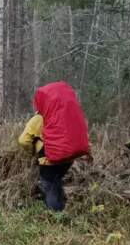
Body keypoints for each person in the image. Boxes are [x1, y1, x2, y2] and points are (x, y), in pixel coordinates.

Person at [18, 81, 90, 212]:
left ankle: (56, 215)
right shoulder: (67, 116)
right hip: (68, 159)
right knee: (56, 181)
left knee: (49, 184)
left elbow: (23, 140)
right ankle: (60, 203)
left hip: (48, 160)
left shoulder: (39, 118)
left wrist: (32, 152)